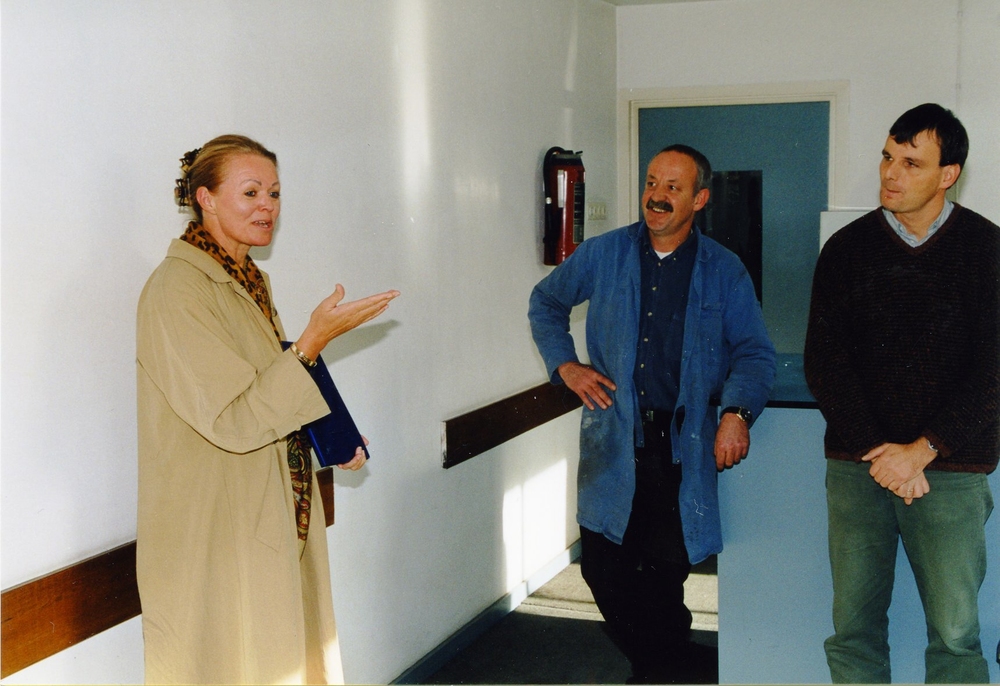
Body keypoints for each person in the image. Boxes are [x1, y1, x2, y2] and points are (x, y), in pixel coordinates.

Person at [135, 135, 399, 684]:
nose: (268, 207)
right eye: (251, 192)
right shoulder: (176, 290)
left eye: (274, 193)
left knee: (283, 656)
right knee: (233, 663)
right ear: (205, 198)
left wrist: (332, 436)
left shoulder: (249, 278)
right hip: (215, 523)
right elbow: (233, 418)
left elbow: (266, 383)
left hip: (270, 502)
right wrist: (313, 341)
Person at [528, 144, 776, 684]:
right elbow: (545, 302)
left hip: (679, 449)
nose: (657, 196)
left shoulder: (723, 270)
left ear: (700, 199)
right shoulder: (605, 253)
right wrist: (566, 366)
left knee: (665, 573)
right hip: (615, 440)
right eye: (651, 183)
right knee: (601, 567)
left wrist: (736, 413)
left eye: (673, 188)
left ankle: (658, 671)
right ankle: (672, 667)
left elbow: (755, 353)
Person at [805, 103, 998, 683]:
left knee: (956, 637)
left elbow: (994, 370)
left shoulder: (988, 249)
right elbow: (825, 363)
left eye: (912, 163)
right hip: (858, 468)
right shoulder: (845, 249)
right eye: (888, 157)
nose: (891, 173)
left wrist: (922, 450)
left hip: (951, 471)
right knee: (853, 632)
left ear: (948, 175)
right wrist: (882, 454)